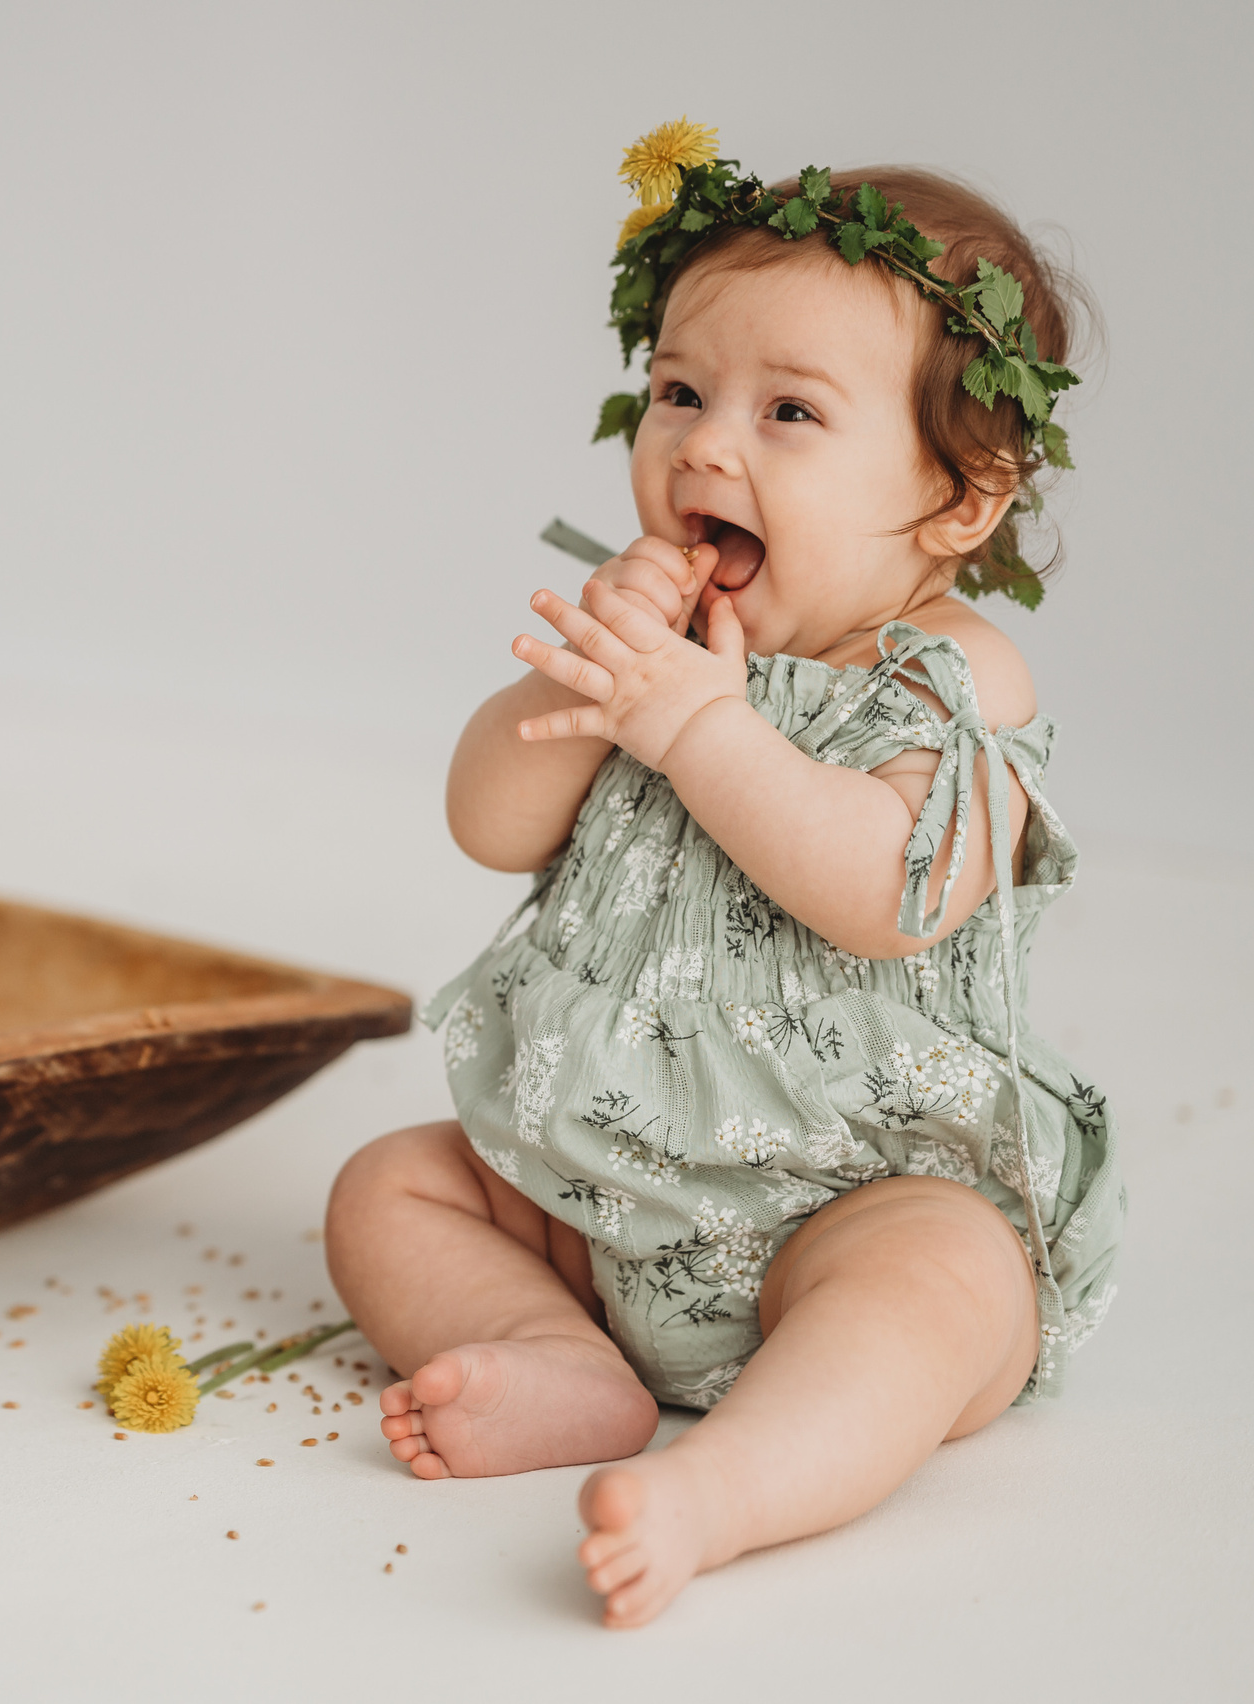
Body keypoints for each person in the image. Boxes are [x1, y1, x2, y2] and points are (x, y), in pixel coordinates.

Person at [322, 123, 1119, 1629]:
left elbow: (893, 893)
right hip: (602, 1183)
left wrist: (698, 727)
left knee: (948, 1284)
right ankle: (564, 1358)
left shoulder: (955, 680)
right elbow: (489, 822)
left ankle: (728, 1487)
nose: (702, 445)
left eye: (789, 411)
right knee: (391, 1187)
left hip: (850, 1196)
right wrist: (594, 678)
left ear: (961, 497)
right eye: (682, 392)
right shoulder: (660, 646)